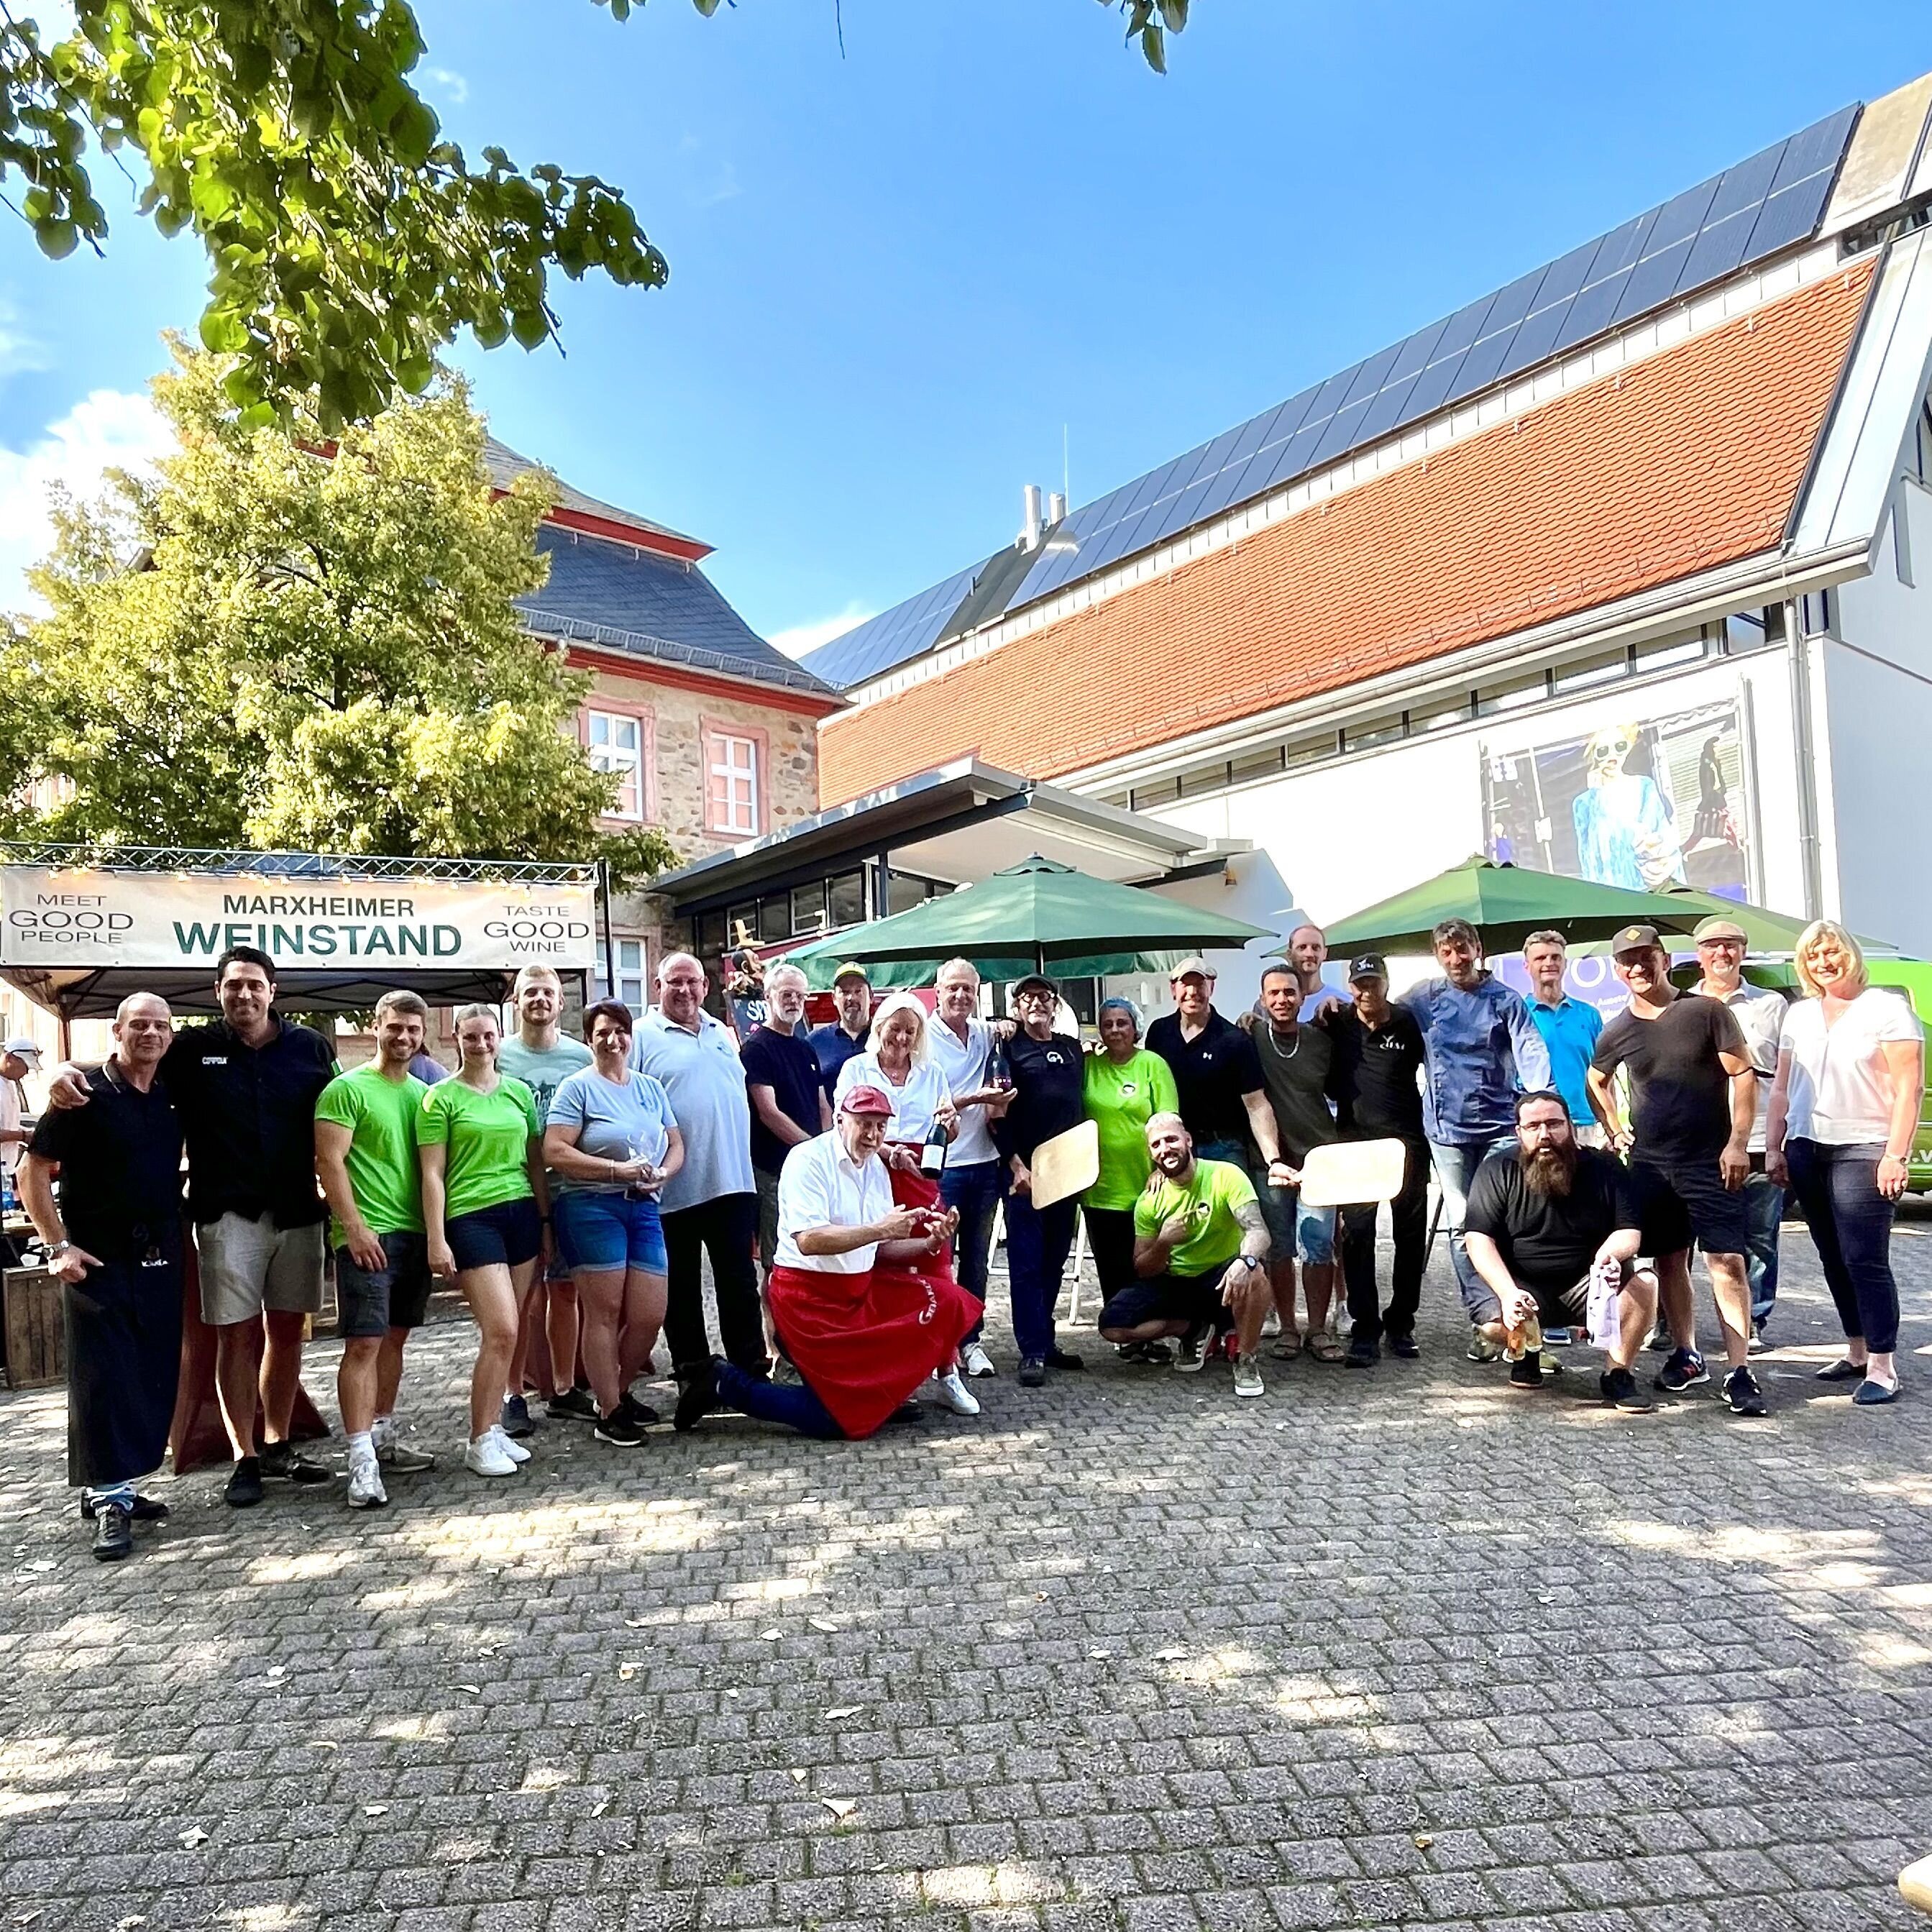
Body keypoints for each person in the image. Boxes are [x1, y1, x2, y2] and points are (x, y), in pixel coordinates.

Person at [47, 945, 340, 1507]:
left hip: (298, 1212)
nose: (245, 995)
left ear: (272, 991)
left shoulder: (310, 1047)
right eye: (234, 986)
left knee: (286, 1332)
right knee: (236, 1334)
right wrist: (63, 1071)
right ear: (218, 993)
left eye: (255, 985)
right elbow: (129, 1064)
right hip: (226, 1216)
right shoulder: (192, 1049)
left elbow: (343, 1112)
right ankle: (244, 1455)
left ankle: (277, 1442)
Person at [673, 1084, 978, 1439]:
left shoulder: (875, 1168)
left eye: (880, 1126)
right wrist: (879, 1228)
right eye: (864, 1123)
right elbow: (810, 1241)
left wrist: (928, 1243)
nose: (873, 1134)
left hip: (858, 1292)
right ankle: (723, 1382)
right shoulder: (807, 1159)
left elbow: (878, 1251)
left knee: (949, 1301)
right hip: (808, 1300)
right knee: (835, 1423)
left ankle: (874, 1399)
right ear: (839, 1120)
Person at [18, 994, 183, 1561]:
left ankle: (118, 1484)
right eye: (139, 1024)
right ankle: (109, 1498)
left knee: (148, 1369)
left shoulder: (170, 1091)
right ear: (116, 1030)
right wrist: (57, 1245)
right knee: (104, 1373)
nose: (151, 1033)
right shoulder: (82, 1094)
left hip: (160, 1252)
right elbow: (30, 1172)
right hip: (96, 1257)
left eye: (161, 1025)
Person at [1586, 924, 1766, 1416]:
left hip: (1711, 1160)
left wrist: (1736, 1143)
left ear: (1664, 959)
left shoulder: (1706, 1011)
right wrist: (1613, 1127)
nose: (1638, 967)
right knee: (1668, 1261)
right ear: (1618, 971)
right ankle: (1687, 1354)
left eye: (1647, 956)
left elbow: (1742, 1075)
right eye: (1628, 960)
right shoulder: (1617, 1028)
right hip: (1649, 1166)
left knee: (1726, 1262)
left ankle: (1739, 1370)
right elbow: (1594, 1080)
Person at [1767, 920, 1924, 1406]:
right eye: (1813, 956)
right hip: (1806, 1147)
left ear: (1849, 953)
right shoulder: (1798, 1014)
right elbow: (1779, 1087)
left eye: (1830, 952)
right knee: (1831, 1256)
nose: (1822, 963)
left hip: (1864, 1147)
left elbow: (1908, 1089)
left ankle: (1882, 1365)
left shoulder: (1886, 1008)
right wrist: (1774, 1146)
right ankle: (1855, 1352)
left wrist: (1894, 1154)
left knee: (1864, 1258)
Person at [1400, 919, 1552, 1358]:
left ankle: (1516, 1314)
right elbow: (1376, 1013)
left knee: (1509, 1221)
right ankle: (1486, 1316)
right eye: (1446, 952)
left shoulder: (1505, 1000)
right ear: (1437, 955)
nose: (1455, 959)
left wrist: (1542, 1101)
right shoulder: (1425, 998)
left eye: (1462, 949)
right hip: (1446, 1131)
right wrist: (1329, 1010)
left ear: (1477, 949)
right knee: (1462, 1224)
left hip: (1501, 1128)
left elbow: (1530, 1049)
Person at [313, 990, 439, 1509]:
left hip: (413, 1234)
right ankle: (360, 1458)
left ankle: (382, 1434)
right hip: (368, 1236)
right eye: (395, 1027)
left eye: (413, 1029)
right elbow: (329, 1162)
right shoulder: (346, 1089)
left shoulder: (423, 1094)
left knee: (394, 1340)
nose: (403, 1037)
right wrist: (354, 1227)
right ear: (376, 1025)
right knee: (363, 1343)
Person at [1460, 1091, 1659, 1411]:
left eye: (1554, 1124)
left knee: (1647, 1284)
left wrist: (1607, 1256)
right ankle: (1528, 1353)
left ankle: (1617, 1374)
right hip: (1521, 1284)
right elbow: (1478, 1240)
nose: (1544, 1135)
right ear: (1518, 1132)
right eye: (1533, 1126)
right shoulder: (1496, 1170)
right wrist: (1508, 1293)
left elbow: (1630, 1232)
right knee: (1492, 1325)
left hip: (1589, 1283)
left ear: (1570, 1125)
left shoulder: (1605, 1167)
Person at [544, 999, 682, 1446]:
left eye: (621, 1030)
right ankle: (609, 1410)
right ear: (590, 1039)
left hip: (643, 1206)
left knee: (649, 1313)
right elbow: (556, 1151)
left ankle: (616, 1393)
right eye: (603, 1032)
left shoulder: (650, 1088)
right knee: (602, 1312)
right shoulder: (576, 1088)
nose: (613, 1039)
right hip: (590, 1206)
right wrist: (613, 1172)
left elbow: (676, 1142)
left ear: (631, 1036)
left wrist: (664, 1172)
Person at [419, 1004, 549, 1476]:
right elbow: (431, 1174)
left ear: (500, 1037)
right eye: (471, 1036)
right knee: (502, 1329)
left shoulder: (518, 1093)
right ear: (456, 1038)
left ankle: (492, 1426)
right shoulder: (439, 1098)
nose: (481, 1044)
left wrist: (545, 1219)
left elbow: (535, 1162)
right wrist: (437, 1238)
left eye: (488, 1035)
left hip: (522, 1216)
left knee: (512, 1332)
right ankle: (477, 1440)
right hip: (472, 1217)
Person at [630, 952, 769, 1391]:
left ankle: (750, 1372)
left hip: (733, 1179)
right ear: (658, 987)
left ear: (706, 988)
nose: (685, 990)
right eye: (675, 982)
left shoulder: (722, 1032)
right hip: (673, 1187)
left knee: (739, 1283)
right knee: (682, 1291)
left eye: (693, 982)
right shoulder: (640, 1036)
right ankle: (694, 1375)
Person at [834, 992, 976, 1414]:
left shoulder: (931, 1072)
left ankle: (948, 1373)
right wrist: (886, 1153)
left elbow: (945, 1131)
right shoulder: (856, 1068)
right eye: (894, 1028)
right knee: (877, 1274)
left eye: (910, 1031)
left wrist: (950, 1126)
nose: (901, 1037)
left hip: (921, 1174)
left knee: (939, 1267)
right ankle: (889, 1376)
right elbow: (843, 1123)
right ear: (879, 1028)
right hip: (871, 1172)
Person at [1097, 1113, 1273, 1397]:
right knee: (1113, 1326)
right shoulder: (1149, 1202)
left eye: (1171, 1139)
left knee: (1256, 1273)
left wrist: (1246, 1260)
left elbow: (1259, 1231)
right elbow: (1143, 1269)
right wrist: (1164, 1242)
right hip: (1178, 1282)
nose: (1165, 1149)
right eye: (1156, 1145)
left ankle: (1246, 1358)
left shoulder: (1225, 1174)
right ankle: (1193, 1331)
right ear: (1151, 1153)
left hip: (1222, 1278)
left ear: (1188, 1140)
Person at [498, 963, 595, 1433]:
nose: (539, 999)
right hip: (513, 1190)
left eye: (548, 992)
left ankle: (562, 1387)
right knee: (518, 1297)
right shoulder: (496, 1056)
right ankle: (512, 1391)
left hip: (568, 1188)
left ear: (561, 1003)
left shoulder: (580, 1056)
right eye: (529, 991)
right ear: (515, 1001)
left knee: (565, 1290)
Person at [1325, 955, 1429, 1365]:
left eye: (1373, 982)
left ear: (1386, 983)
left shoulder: (1408, 1023)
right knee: (1358, 1237)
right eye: (1359, 984)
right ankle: (1365, 1327)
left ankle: (1401, 1323)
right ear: (1350, 987)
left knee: (1409, 1237)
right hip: (1355, 1146)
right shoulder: (1336, 1023)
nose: (1367, 991)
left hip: (1408, 1144)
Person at [1690, 915, 1788, 1343]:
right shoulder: (1683, 1005)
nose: (1722, 954)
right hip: (1699, 1138)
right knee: (1685, 1235)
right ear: (1699, 956)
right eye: (1713, 946)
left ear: (1744, 952)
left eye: (1731, 945)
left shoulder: (1772, 1005)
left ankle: (1754, 1321)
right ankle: (1672, 1323)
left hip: (1761, 1134)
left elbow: (1788, 1076)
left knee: (1759, 1236)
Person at [993, 972, 1090, 1388]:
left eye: (1044, 997)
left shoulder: (1072, 1048)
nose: (1036, 1003)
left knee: (1053, 1260)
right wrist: (1016, 1166)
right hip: (1025, 1173)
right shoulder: (1007, 1048)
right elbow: (995, 1116)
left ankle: (1046, 1340)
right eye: (1027, 997)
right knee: (1027, 1264)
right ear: (1016, 1006)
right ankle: (1030, 1350)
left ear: (1055, 1005)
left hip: (1066, 1172)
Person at [1249, 962, 1344, 1361]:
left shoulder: (1321, 1041)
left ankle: (1318, 1328)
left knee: (1319, 1245)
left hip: (1319, 1158)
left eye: (1289, 992)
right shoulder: (1250, 1036)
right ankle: (1288, 1327)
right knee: (1279, 1248)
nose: (1282, 1000)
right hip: (1270, 1162)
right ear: (1263, 998)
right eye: (1274, 993)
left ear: (1303, 997)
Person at [926, 958, 1012, 1381]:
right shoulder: (922, 1036)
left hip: (986, 1163)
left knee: (977, 1260)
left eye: (968, 990)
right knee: (937, 1259)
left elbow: (1006, 1031)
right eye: (953, 988)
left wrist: (1008, 1025)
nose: (961, 996)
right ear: (938, 991)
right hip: (945, 1167)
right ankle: (938, 1345)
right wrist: (976, 1099)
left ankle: (971, 1340)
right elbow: (931, 1105)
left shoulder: (983, 1033)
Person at [1082, 997, 1179, 1362]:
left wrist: (1162, 1167)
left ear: (1135, 1028)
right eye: (1108, 1024)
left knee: (1148, 1265)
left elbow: (1168, 1120)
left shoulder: (1152, 1065)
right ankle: (1127, 1334)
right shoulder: (1090, 1066)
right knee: (1111, 1265)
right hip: (1099, 1186)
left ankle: (1151, 1332)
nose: (1115, 1031)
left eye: (1122, 1023)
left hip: (1146, 1185)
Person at [1146, 958, 1291, 1178]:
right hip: (1174, 1149)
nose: (1193, 992)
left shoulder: (1234, 1039)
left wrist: (1273, 1159)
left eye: (1200, 984)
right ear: (1173, 989)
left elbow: (1256, 1105)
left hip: (1224, 1148)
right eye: (1186, 984)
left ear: (1211, 987)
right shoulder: (1159, 1033)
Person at [738, 962, 831, 1293]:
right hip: (774, 1171)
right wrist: (814, 1150)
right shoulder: (756, 1049)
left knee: (813, 1255)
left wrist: (829, 1149)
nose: (793, 1001)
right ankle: (774, 1343)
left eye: (800, 996)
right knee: (776, 1261)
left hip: (810, 1168)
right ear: (768, 997)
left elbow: (822, 1105)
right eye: (786, 994)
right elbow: (768, 1112)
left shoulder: (806, 1047)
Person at [1521, 930, 1603, 1147]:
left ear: (1565, 963)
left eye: (1555, 957)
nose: (1549, 963)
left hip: (1584, 1120)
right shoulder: (1517, 1014)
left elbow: (1604, 1074)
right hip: (1538, 1124)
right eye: (1540, 958)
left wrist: (1609, 1125)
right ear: (1527, 966)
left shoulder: (1589, 1015)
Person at [807, 963, 873, 1107]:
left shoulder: (885, 1039)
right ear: (834, 998)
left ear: (871, 996)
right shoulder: (814, 1042)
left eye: (858, 991)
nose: (851, 998)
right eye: (844, 992)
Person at [0, 1036, 40, 1202]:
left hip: (6, 1170)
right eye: (24, 1066)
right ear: (9, 1058)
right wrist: (23, 1136)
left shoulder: (11, 1084)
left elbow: (9, 1125)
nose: (26, 1072)